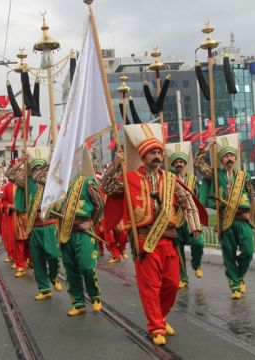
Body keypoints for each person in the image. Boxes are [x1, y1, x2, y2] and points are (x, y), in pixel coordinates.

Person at [103, 123, 203, 346]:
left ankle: (161, 316)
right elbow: (108, 187)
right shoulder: (129, 179)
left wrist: (195, 226)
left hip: (168, 238)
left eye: (159, 152)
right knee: (150, 287)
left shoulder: (169, 179)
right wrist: (116, 165)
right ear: (143, 155)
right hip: (144, 240)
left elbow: (187, 201)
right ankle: (156, 327)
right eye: (152, 152)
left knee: (172, 282)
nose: (157, 156)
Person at [195, 134, 255, 300]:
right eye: (225, 156)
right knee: (228, 254)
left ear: (235, 158)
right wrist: (208, 145)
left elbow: (252, 199)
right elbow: (198, 163)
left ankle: (239, 275)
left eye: (231, 156)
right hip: (225, 220)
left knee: (248, 251)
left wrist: (252, 219)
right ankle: (234, 284)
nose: (229, 158)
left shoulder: (244, 176)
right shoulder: (214, 174)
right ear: (221, 160)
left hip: (243, 219)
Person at [6, 147, 62, 299]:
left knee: (53, 255)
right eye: (35, 167)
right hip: (34, 225)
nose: (37, 170)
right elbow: (9, 174)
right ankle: (44, 289)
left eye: (40, 167)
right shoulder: (26, 180)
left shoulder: (51, 179)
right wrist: (21, 162)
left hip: (50, 224)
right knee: (37, 260)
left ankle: (54, 277)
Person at [57, 149, 105, 316]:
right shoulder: (59, 185)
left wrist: (92, 221)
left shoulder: (87, 181)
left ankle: (95, 296)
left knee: (86, 266)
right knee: (70, 268)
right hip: (65, 231)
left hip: (83, 231)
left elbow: (99, 204)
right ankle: (78, 302)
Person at [165, 142, 205, 288]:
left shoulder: (193, 179)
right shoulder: (169, 178)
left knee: (198, 243)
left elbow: (198, 198)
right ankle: (183, 277)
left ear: (185, 163)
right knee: (178, 249)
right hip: (175, 217)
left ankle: (196, 264)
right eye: (176, 162)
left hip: (190, 217)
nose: (179, 164)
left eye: (181, 161)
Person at [0, 181, 17, 264]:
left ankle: (28, 259)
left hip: (24, 215)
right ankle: (13, 257)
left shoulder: (26, 182)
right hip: (12, 216)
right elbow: (4, 201)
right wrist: (10, 206)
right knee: (12, 236)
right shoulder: (8, 186)